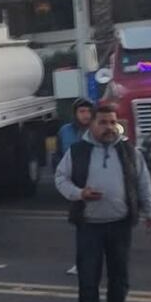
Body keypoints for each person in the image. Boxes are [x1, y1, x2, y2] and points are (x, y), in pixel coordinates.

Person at [55, 105, 151, 302]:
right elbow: (60, 178)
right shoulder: (78, 151)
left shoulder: (129, 151)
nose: (109, 128)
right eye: (103, 123)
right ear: (92, 125)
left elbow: (143, 184)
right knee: (88, 278)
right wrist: (79, 193)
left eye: (112, 122)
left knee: (119, 277)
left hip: (120, 225)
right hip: (89, 225)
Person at [56, 99, 96, 276]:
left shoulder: (97, 130)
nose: (85, 115)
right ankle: (81, 263)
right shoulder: (65, 131)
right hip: (76, 185)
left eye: (88, 111)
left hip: (96, 183)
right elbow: (58, 154)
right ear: (75, 114)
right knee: (81, 227)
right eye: (82, 111)